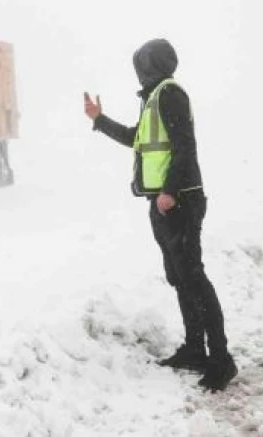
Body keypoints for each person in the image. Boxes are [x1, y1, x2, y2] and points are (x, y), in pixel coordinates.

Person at [83, 38, 237, 392]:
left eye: (141, 63)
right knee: (180, 278)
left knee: (194, 278)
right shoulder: (154, 99)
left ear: (151, 65)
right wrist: (99, 120)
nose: (138, 70)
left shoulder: (169, 94)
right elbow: (136, 139)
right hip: (165, 203)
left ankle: (221, 360)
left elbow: (186, 146)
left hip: (179, 200)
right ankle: (196, 349)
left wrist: (168, 191)